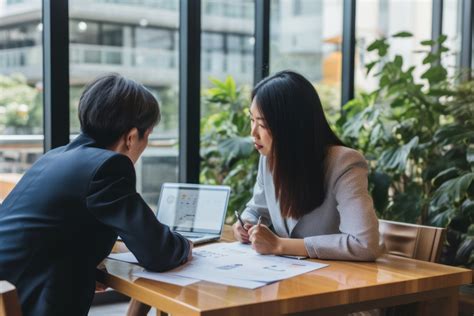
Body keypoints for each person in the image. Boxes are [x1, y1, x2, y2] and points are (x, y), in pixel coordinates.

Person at [0, 74, 192, 316]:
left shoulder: (55, 157)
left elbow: (49, 234)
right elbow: (158, 252)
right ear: (132, 137)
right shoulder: (108, 166)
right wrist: (185, 246)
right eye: (148, 135)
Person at [233, 70, 382, 261]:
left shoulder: (344, 163)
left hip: (339, 279)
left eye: (262, 124)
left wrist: (280, 245)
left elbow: (365, 244)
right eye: (252, 120)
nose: (253, 133)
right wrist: (245, 224)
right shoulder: (269, 158)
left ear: (290, 126)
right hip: (287, 275)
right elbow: (256, 210)